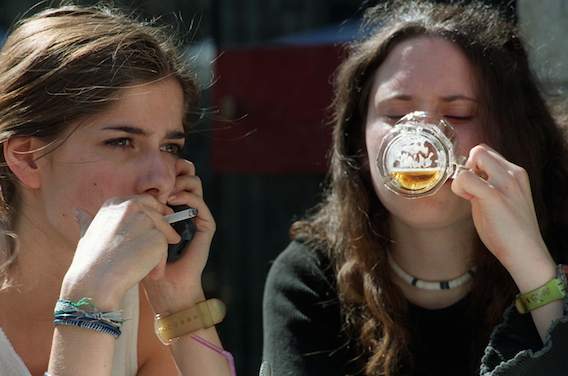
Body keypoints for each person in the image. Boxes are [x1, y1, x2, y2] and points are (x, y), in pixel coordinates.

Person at [262, 1, 568, 375]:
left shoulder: (557, 246)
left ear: (510, 135)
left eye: (458, 114)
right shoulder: (310, 279)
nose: (421, 140)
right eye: (395, 115)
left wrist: (531, 267)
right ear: (358, 141)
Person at [0, 4, 233, 376]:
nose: (160, 178)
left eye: (170, 147)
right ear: (27, 158)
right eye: (122, 142)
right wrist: (86, 300)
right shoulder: (106, 291)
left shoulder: (137, 300)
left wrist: (179, 299)